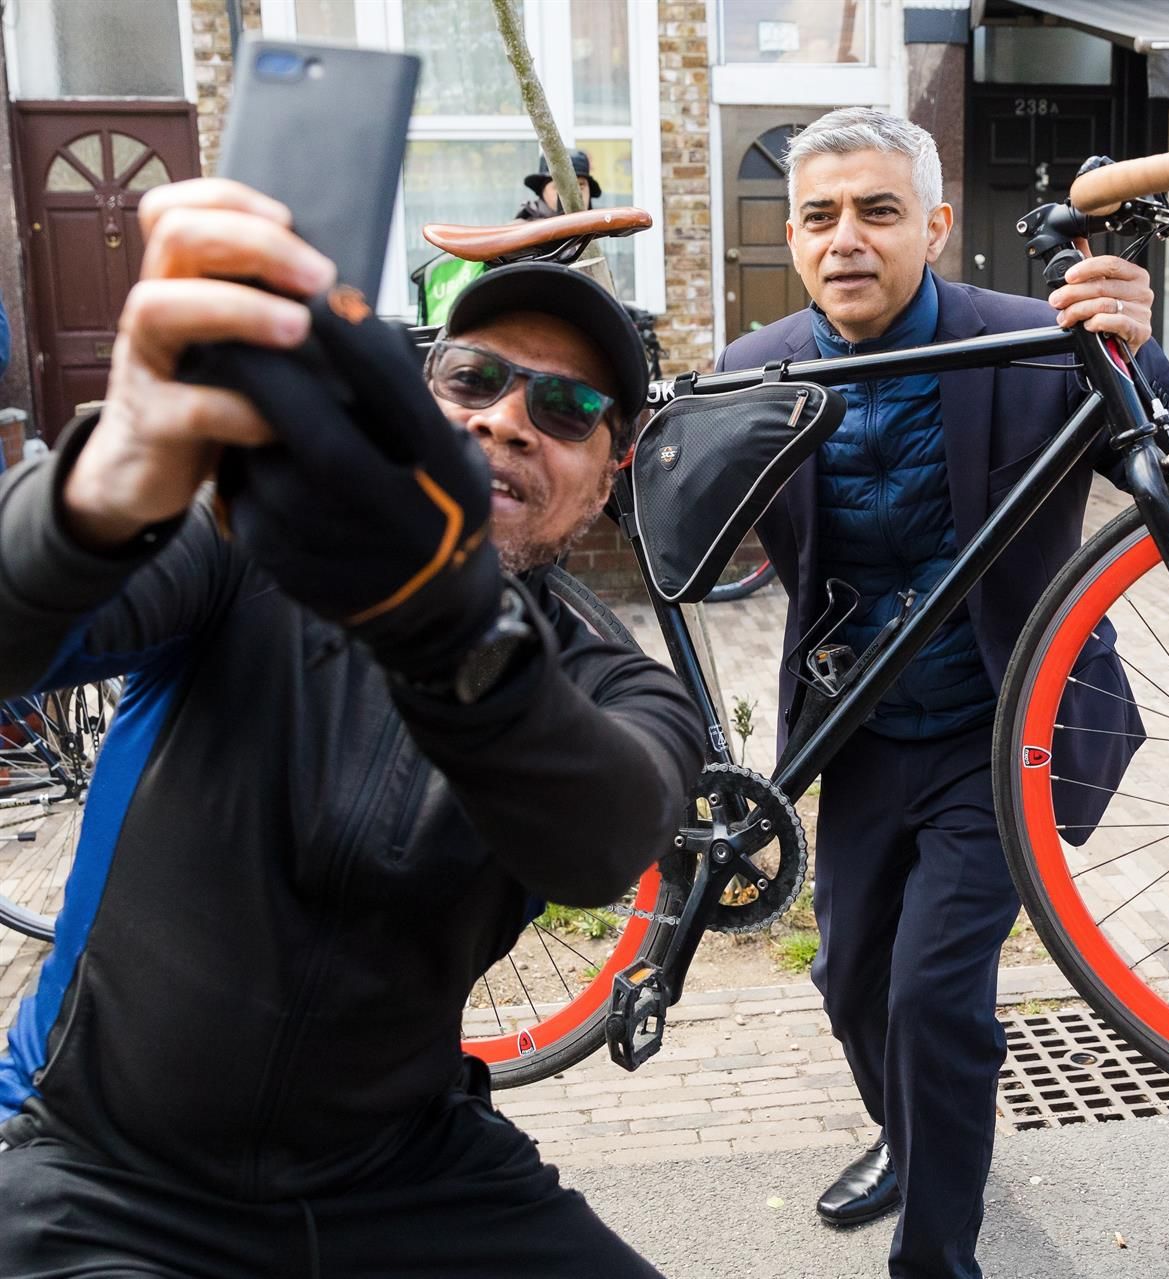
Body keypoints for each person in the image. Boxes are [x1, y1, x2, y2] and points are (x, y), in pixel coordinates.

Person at [0, 177, 705, 1277]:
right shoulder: (238, 549)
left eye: (565, 409)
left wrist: (444, 620)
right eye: (474, 376)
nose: (504, 417)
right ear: (424, 395)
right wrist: (97, 492)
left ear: (613, 471)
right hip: (103, 1168)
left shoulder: (621, 689)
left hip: (401, 1180)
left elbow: (603, 836)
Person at [717, 109, 1169, 1279]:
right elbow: (666, 525)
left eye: (879, 211)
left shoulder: (1032, 340)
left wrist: (1137, 354)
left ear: (937, 226)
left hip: (1005, 729)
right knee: (851, 981)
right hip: (853, 733)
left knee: (934, 996)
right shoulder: (756, 373)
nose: (847, 238)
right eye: (820, 215)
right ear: (794, 238)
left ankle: (938, 1253)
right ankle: (914, 1144)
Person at [517, 147, 601, 221]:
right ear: (542, 190)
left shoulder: (597, 230)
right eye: (561, 186)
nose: (574, 194)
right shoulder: (521, 234)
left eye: (580, 185)